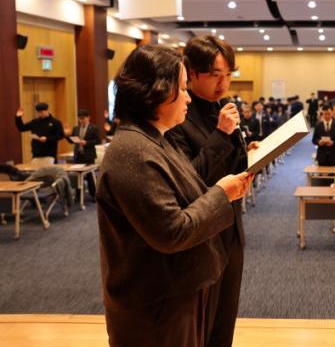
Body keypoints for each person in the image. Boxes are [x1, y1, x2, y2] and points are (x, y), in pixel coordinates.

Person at [97, 44, 253, 347]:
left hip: (173, 291)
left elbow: (188, 190)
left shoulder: (156, 139)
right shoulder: (134, 152)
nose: (188, 97)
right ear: (156, 91)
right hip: (155, 302)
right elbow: (172, 230)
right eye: (181, 88)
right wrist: (222, 193)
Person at [168, 35, 256, 347]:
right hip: (200, 233)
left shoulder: (222, 107)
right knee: (201, 324)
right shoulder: (176, 117)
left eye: (228, 75)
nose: (224, 83)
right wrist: (221, 133)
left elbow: (231, 165)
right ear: (191, 74)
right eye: (215, 75)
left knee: (224, 318)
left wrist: (251, 154)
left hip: (231, 226)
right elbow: (188, 180)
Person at [65, 109, 101, 201]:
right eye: (80, 118)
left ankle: (93, 195)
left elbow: (98, 141)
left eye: (83, 118)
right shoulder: (76, 128)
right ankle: (78, 196)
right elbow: (71, 141)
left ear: (88, 118)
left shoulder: (94, 128)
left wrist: (87, 142)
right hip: (78, 155)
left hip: (89, 155)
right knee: (77, 176)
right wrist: (67, 135)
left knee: (90, 176)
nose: (81, 120)